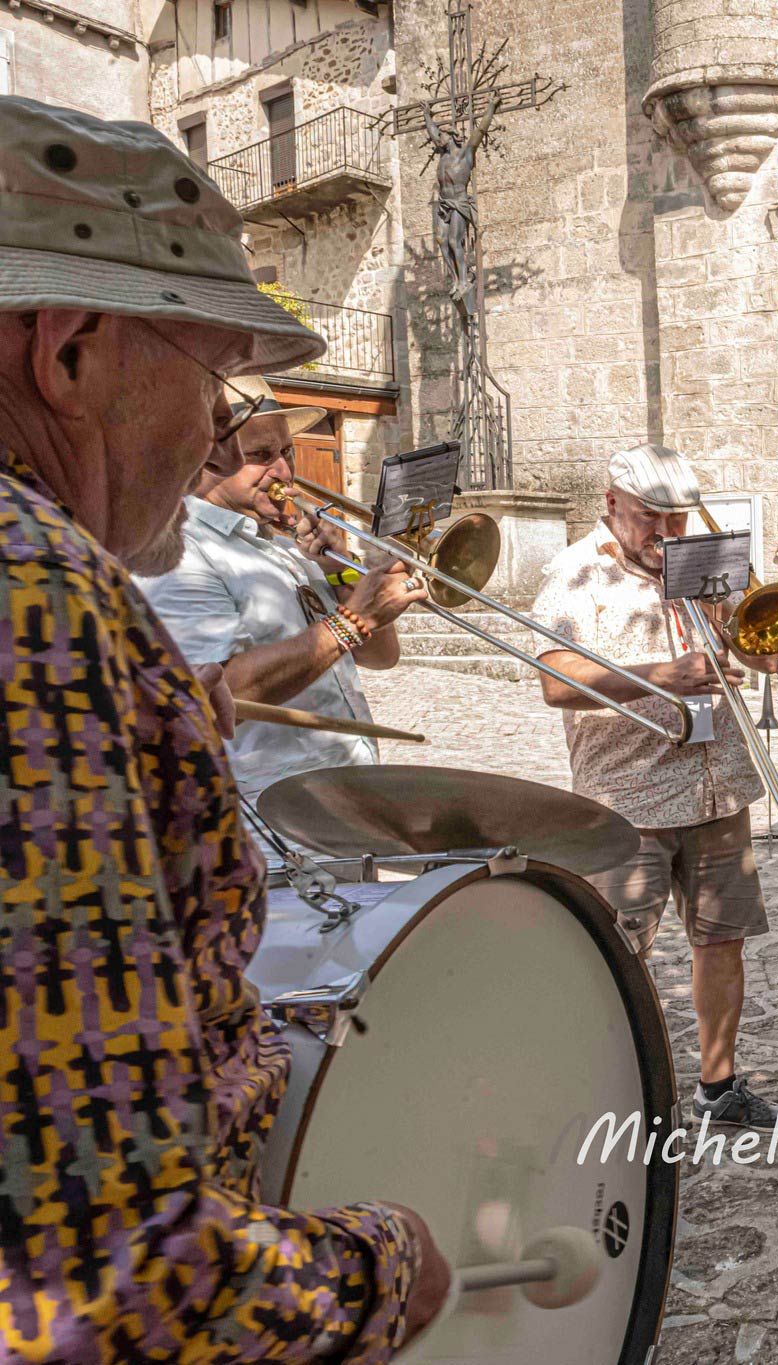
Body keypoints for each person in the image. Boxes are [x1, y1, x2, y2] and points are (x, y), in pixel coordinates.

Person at [0, 95, 447, 1357]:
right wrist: (382, 1271)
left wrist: (151, 715)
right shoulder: (33, 590)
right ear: (72, 354)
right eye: (214, 380)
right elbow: (113, 1282)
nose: (215, 428)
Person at [530, 444, 778, 1132]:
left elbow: (760, 652)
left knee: (723, 941)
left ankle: (719, 1084)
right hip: (632, 797)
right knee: (618, 954)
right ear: (612, 502)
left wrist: (750, 633)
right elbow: (556, 679)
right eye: (651, 517)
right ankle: (610, 1098)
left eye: (677, 518)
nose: (667, 532)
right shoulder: (577, 570)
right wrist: (661, 677)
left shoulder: (698, 557)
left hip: (717, 787)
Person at [139, 376, 427, 805]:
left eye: (286, 452)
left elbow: (380, 657)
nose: (284, 472)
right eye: (261, 456)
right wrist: (354, 621)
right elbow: (219, 692)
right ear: (204, 458)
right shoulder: (180, 552)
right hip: (268, 805)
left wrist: (340, 574)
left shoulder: (282, 546)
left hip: (343, 786)